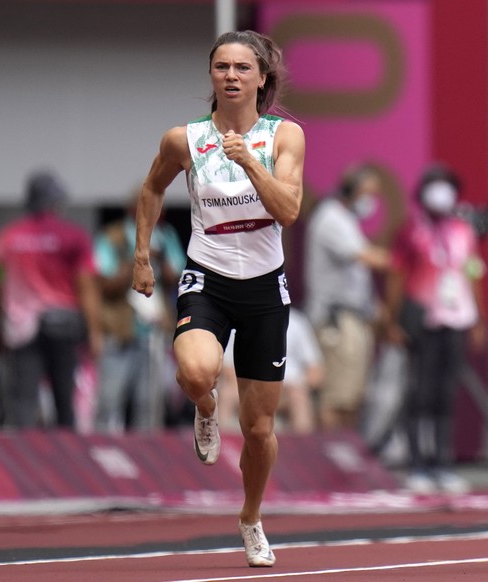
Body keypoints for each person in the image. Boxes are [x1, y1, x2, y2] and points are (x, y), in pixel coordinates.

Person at [132, 30, 305, 568]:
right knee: (195, 372)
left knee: (258, 430)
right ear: (211, 76)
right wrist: (142, 254)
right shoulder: (184, 139)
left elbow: (289, 210)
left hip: (263, 287)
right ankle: (205, 409)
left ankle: (250, 516)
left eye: (241, 68)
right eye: (221, 67)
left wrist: (251, 163)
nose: (230, 76)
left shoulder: (284, 137)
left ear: (261, 78)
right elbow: (152, 188)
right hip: (206, 274)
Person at [385, 163, 486, 494]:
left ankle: (442, 464)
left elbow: (472, 272)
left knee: (446, 393)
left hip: (456, 319)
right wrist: (393, 320)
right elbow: (397, 277)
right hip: (423, 320)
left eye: (447, 185)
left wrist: (479, 319)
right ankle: (418, 464)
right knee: (421, 391)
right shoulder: (412, 231)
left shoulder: (464, 231)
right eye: (435, 185)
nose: (441, 192)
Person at [0, 170, 102, 429]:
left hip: (22, 328)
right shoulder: (75, 237)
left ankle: (23, 461)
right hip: (64, 326)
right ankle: (65, 460)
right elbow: (86, 285)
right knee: (65, 400)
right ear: (55, 202)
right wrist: (94, 331)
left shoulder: (6, 239)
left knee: (23, 402)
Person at [304, 163, 390, 431]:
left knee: (351, 398)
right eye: (368, 193)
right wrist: (406, 260)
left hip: (353, 318)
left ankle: (346, 459)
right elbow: (366, 257)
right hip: (337, 320)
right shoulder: (330, 218)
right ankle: (331, 461)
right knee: (336, 398)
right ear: (351, 191)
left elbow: (357, 276)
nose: (371, 201)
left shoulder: (347, 220)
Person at [95, 194, 185, 433]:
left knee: (149, 405)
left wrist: (161, 257)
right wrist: (137, 262)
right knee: (110, 401)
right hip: (120, 333)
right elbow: (104, 283)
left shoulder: (165, 237)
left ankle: (143, 457)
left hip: (152, 336)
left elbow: (176, 277)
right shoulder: (112, 237)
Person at [219, 307, 324, 435]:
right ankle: (222, 447)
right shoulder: (239, 318)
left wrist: (299, 385)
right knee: (226, 394)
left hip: (285, 391)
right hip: (247, 388)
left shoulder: (297, 322)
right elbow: (227, 364)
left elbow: (315, 368)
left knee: (298, 397)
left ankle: (303, 448)